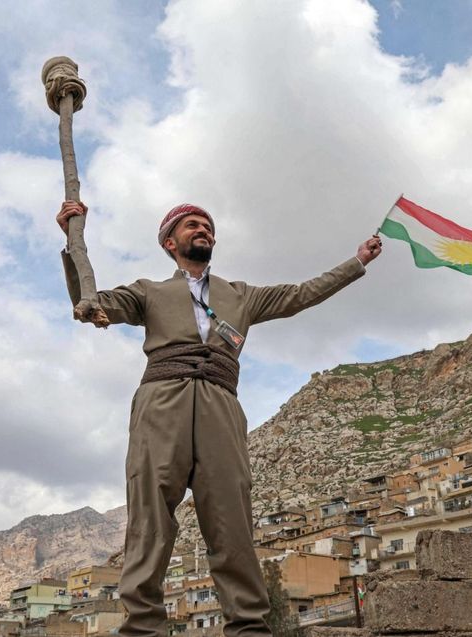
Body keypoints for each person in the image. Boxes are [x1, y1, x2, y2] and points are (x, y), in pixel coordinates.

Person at [57, 200, 381, 637]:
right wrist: (71, 242)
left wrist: (356, 262)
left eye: (208, 225)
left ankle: (247, 626)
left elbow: (302, 294)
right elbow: (92, 303)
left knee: (231, 517)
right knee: (150, 513)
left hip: (221, 401)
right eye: (193, 225)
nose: (203, 230)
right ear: (170, 242)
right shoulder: (149, 291)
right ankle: (143, 627)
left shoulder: (241, 294)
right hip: (162, 400)